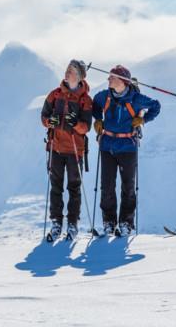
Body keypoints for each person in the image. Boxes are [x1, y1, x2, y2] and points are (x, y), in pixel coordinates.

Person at [92, 65, 161, 236]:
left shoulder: (135, 98)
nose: (108, 80)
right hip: (107, 146)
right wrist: (98, 119)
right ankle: (109, 223)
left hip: (128, 147)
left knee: (128, 187)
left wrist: (143, 120)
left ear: (122, 81)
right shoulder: (104, 96)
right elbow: (94, 103)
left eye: (112, 77)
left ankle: (126, 224)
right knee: (107, 187)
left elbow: (156, 106)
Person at [41, 60, 93, 240]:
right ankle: (56, 222)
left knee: (73, 188)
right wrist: (51, 122)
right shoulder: (54, 95)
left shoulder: (85, 99)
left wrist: (75, 123)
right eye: (67, 70)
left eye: (71, 71)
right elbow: (44, 118)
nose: (67, 73)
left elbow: (86, 127)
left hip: (74, 149)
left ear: (79, 76)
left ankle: (72, 223)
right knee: (56, 187)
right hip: (56, 147)